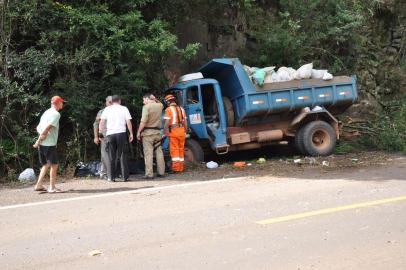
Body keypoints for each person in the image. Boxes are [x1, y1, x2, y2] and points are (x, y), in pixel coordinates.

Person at [33, 95, 65, 193]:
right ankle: (52, 187)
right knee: (54, 165)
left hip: (43, 143)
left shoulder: (46, 112)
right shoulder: (56, 114)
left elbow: (38, 127)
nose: (62, 104)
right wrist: (40, 138)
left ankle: (38, 185)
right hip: (49, 144)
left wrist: (39, 140)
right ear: (58, 103)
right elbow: (48, 127)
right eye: (61, 102)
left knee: (46, 164)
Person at [99, 95, 133, 182]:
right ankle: (125, 177)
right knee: (122, 154)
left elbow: (102, 122)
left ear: (112, 101)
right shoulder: (124, 108)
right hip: (121, 134)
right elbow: (128, 122)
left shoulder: (107, 109)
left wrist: (100, 133)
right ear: (119, 101)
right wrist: (131, 133)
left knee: (111, 156)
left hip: (110, 134)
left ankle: (111, 177)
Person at [136, 93, 165, 179]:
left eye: (144, 99)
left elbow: (143, 121)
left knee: (148, 153)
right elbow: (159, 102)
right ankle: (161, 172)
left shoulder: (146, 107)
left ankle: (149, 174)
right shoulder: (160, 105)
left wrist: (138, 132)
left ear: (147, 99)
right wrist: (154, 98)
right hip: (158, 133)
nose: (143, 101)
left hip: (148, 133)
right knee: (159, 152)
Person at [163, 94, 187, 173]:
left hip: (173, 132)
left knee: (174, 151)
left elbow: (167, 122)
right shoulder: (181, 109)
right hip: (182, 131)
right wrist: (185, 131)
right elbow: (185, 122)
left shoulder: (168, 110)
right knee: (181, 149)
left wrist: (165, 131)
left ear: (167, 102)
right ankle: (181, 168)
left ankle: (176, 169)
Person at [93, 96, 113, 179]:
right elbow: (95, 124)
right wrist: (96, 137)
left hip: (113, 135)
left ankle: (107, 172)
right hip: (104, 136)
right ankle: (105, 173)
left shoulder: (116, 111)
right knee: (105, 154)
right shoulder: (102, 111)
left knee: (109, 154)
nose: (111, 104)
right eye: (110, 102)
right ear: (107, 102)